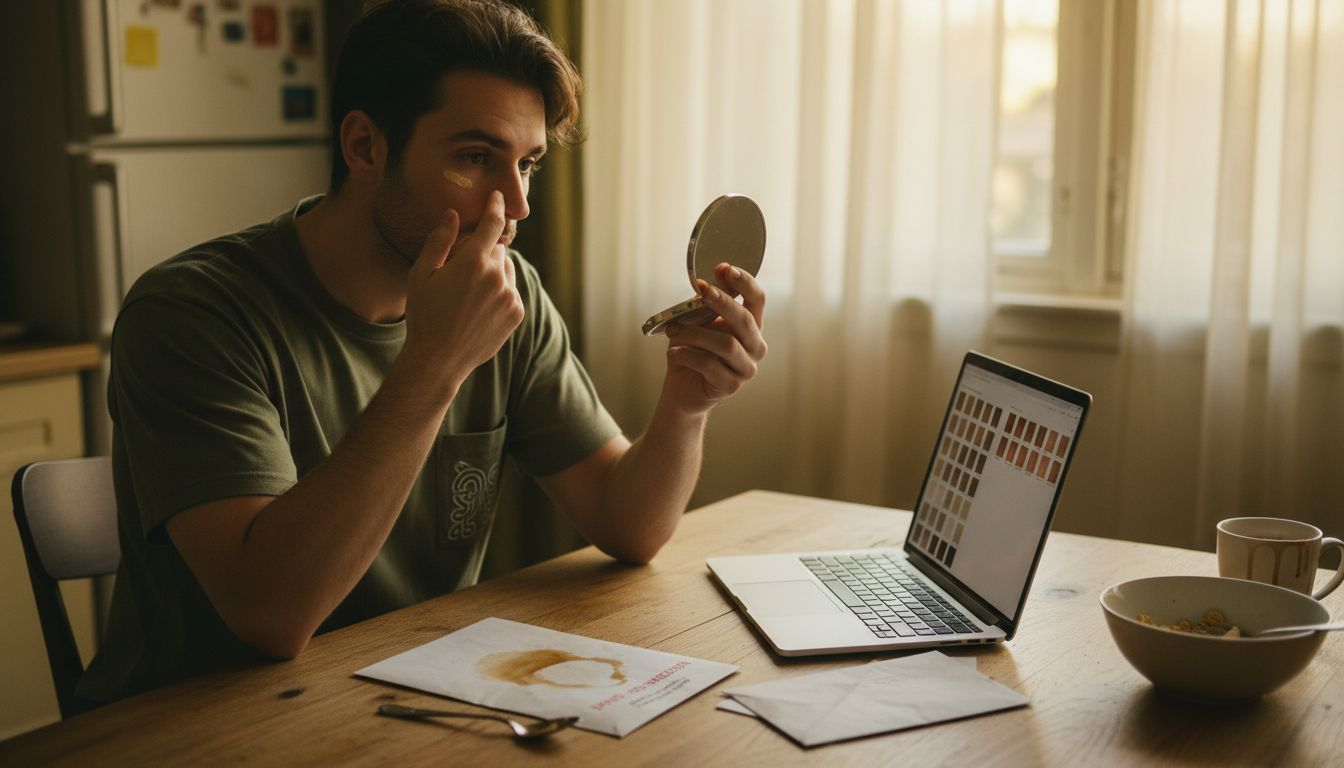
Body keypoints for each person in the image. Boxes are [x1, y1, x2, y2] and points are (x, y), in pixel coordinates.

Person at [76, 0, 766, 705]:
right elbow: (270, 614)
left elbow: (628, 525)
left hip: (411, 695)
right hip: (199, 723)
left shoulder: (508, 294)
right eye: (476, 158)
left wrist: (687, 403)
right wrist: (436, 364)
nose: (517, 205)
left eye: (527, 164)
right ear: (364, 148)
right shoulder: (192, 313)